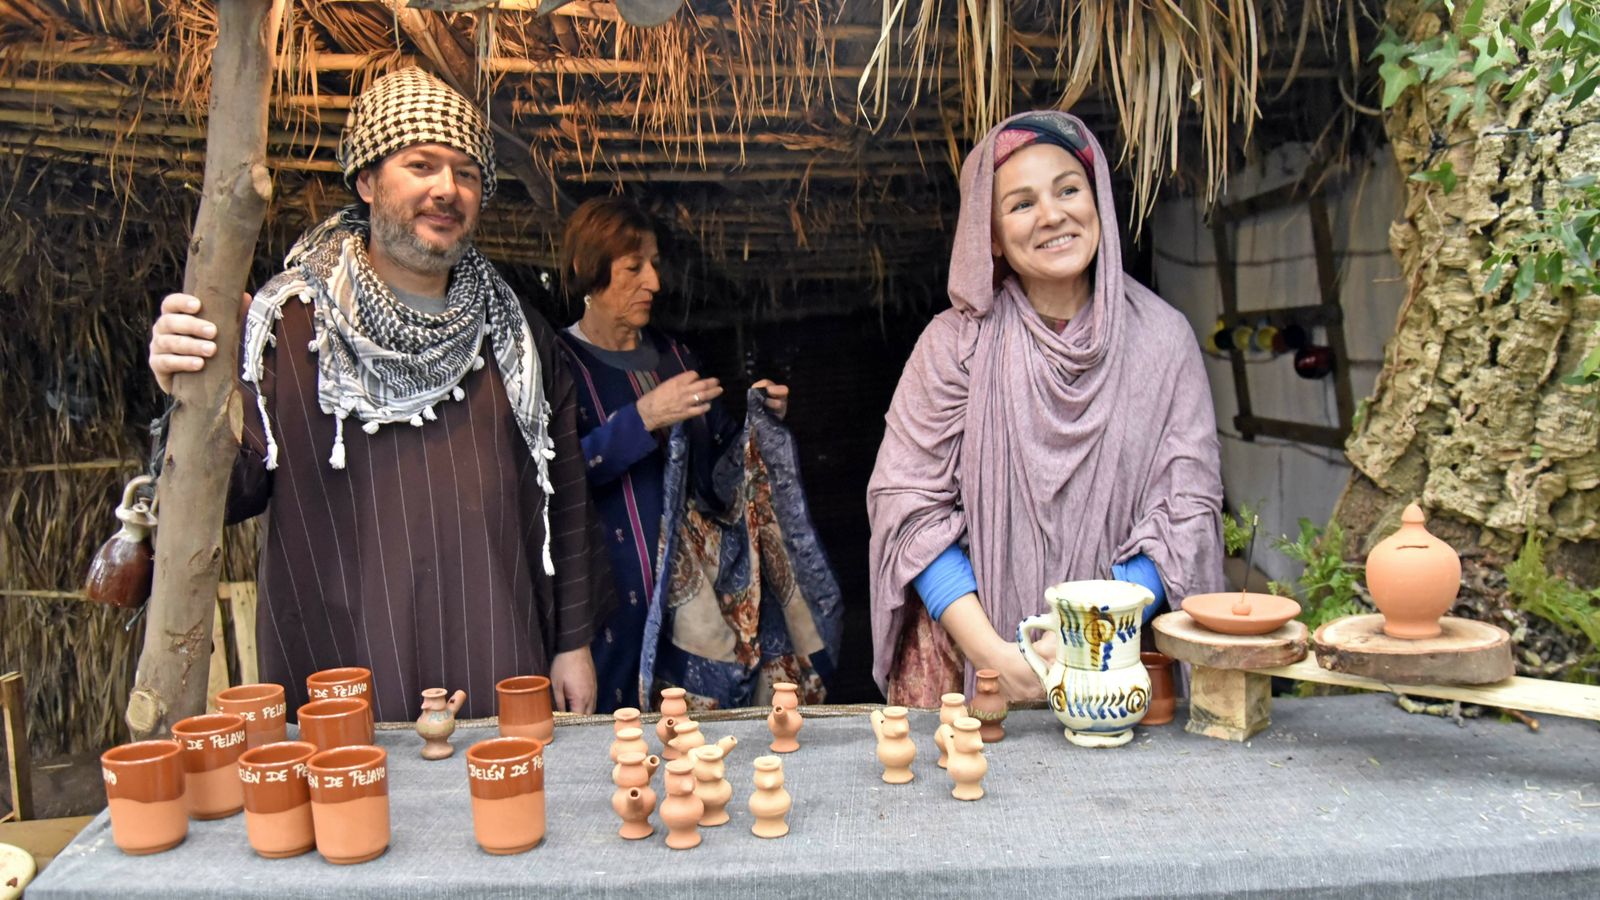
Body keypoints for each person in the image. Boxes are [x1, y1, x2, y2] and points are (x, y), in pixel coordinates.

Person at [146, 68, 615, 720]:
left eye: (467, 173)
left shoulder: (517, 336)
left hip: (499, 653)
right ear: (366, 181)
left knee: (506, 814)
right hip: (340, 666)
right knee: (351, 816)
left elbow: (562, 492)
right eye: (421, 165)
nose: (446, 189)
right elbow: (230, 491)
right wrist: (192, 389)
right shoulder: (288, 324)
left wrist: (572, 644)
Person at [867, 111, 1225, 706]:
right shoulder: (956, 345)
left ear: (1098, 199)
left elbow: (1185, 512)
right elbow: (908, 508)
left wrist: (1089, 632)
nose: (1053, 215)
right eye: (1021, 204)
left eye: (1067, 189)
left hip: (1118, 662)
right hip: (970, 665)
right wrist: (994, 657)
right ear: (992, 236)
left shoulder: (1163, 340)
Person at [556, 197, 839, 713]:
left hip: (700, 602)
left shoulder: (676, 357)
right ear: (585, 270)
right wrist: (640, 420)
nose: (654, 283)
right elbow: (553, 477)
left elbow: (722, 463)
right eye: (632, 268)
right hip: (616, 600)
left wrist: (763, 422)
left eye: (655, 265)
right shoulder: (561, 366)